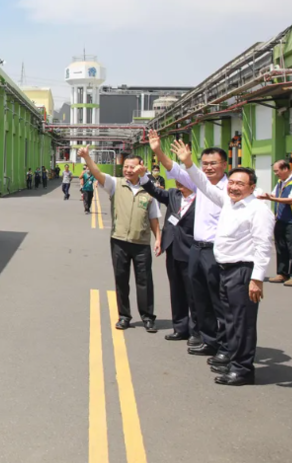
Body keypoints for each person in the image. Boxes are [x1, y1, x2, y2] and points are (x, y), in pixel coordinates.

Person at [176, 142, 273, 386]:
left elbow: (263, 247)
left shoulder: (258, 210)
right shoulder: (228, 202)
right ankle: (233, 359)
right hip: (226, 269)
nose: (234, 187)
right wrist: (188, 162)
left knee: (242, 322)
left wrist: (257, 279)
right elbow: (203, 184)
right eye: (232, 183)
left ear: (252, 187)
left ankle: (242, 369)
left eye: (241, 184)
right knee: (230, 319)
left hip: (243, 271)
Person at [148, 129, 228, 362]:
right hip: (196, 249)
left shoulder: (228, 187)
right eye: (205, 164)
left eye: (214, 163)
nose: (209, 167)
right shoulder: (198, 183)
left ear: (224, 164)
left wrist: (189, 164)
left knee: (218, 300)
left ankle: (225, 346)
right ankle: (209, 339)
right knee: (199, 298)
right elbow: (175, 170)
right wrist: (158, 151)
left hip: (216, 251)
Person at [79, 146, 161, 332]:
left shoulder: (149, 189)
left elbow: (153, 217)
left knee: (144, 281)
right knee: (121, 279)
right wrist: (86, 157)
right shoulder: (116, 184)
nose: (128, 170)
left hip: (141, 242)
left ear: (141, 167)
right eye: (125, 166)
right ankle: (124, 316)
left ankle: (148, 317)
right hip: (119, 241)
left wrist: (158, 239)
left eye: (132, 167)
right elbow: (98, 173)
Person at [139, 171, 201, 345]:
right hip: (173, 249)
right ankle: (180, 328)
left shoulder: (203, 199)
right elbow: (154, 191)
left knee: (194, 294)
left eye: (183, 180)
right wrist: (143, 176)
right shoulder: (174, 194)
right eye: (178, 180)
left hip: (191, 252)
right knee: (176, 291)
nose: (179, 183)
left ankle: (197, 332)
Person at [259, 160, 292, 287]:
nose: (276, 174)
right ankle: (282, 273)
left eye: (277, 171)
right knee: (281, 247)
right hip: (281, 220)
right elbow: (274, 194)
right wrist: (264, 196)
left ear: (285, 169)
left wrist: (271, 198)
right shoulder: (281, 182)